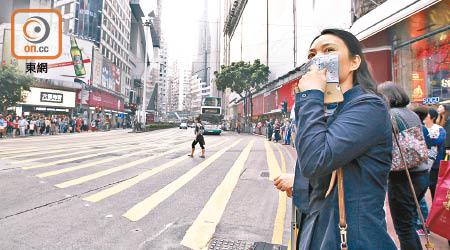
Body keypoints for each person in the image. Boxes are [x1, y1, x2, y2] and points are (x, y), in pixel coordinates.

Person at [275, 29, 397, 250]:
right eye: (312, 55)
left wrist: (310, 95)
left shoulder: (368, 106)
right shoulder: (331, 110)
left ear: (354, 62)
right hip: (319, 232)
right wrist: (299, 181)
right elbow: (322, 173)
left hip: (353, 238)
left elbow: (314, 162)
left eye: (329, 50)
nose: (318, 59)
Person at [379, 82, 430, 250]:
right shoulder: (411, 114)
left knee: (403, 228)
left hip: (403, 176)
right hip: (420, 172)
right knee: (409, 223)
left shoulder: (390, 115)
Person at [426, 107, 446, 199]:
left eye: (427, 114)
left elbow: (439, 141)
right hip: (422, 163)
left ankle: (435, 208)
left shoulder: (439, 129)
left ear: (433, 117)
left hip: (435, 163)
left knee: (434, 186)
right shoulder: (421, 128)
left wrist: (428, 139)